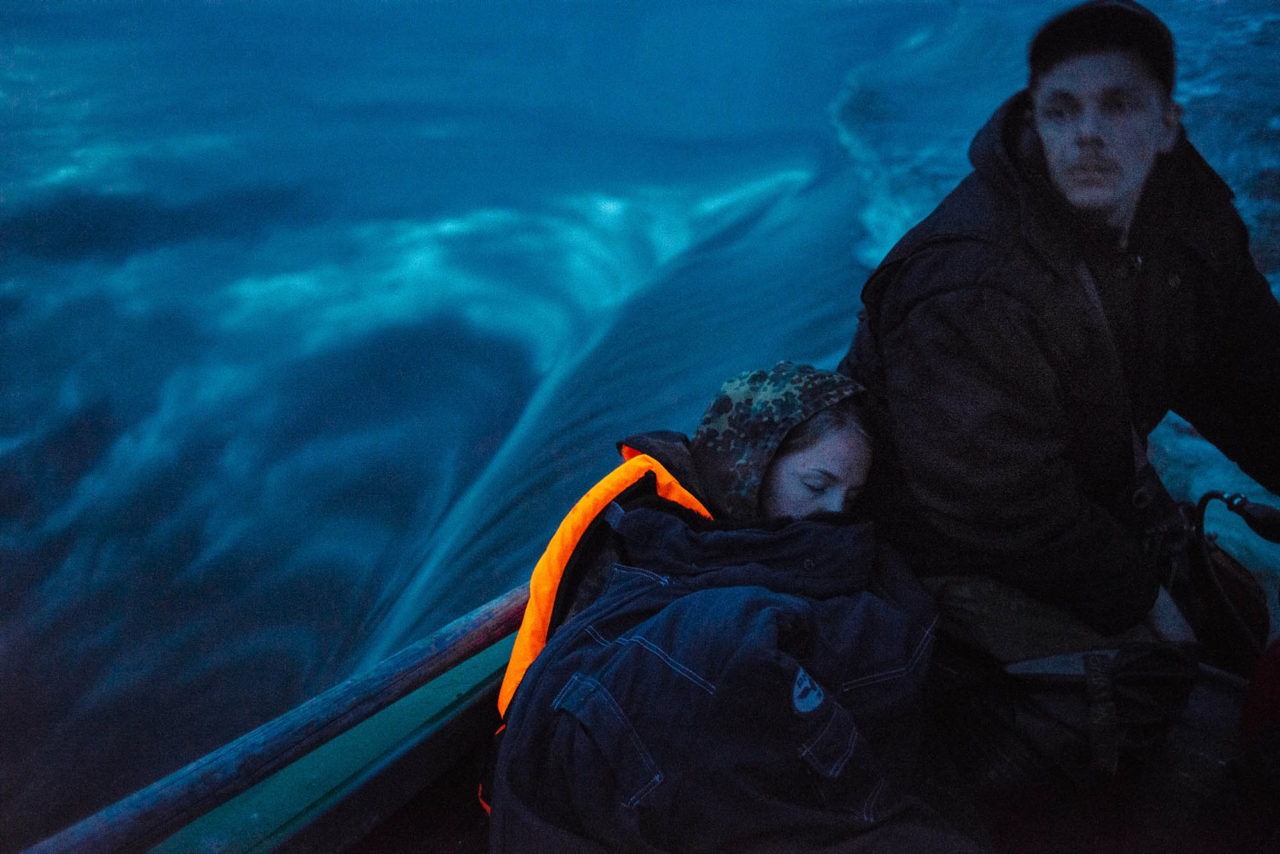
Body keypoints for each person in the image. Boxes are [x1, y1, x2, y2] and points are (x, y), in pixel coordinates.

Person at [838, 1, 1280, 847]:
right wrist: (1138, 595)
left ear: (1166, 122)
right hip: (942, 537)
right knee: (1147, 700)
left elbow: (1249, 370)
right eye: (1062, 111)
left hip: (1076, 487)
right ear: (1034, 121)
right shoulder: (971, 281)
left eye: (1118, 105)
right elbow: (992, 498)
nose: (1088, 135)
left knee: (1230, 620)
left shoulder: (1186, 216)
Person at [486, 361, 982, 853]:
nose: (833, 512)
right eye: (816, 485)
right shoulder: (637, 527)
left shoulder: (823, 548)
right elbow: (546, 676)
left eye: (849, 498)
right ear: (753, 465)